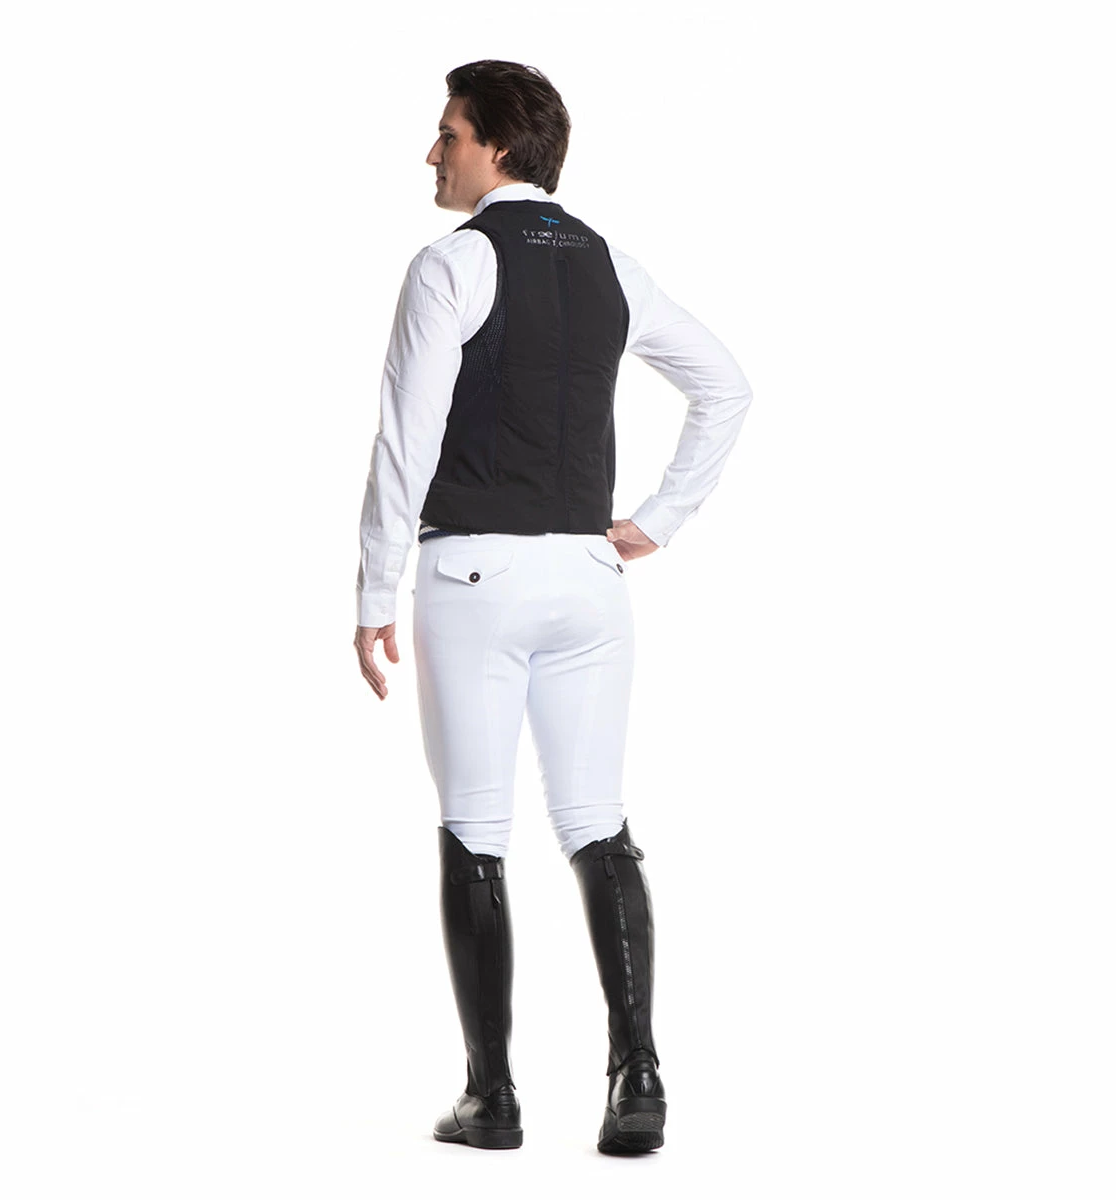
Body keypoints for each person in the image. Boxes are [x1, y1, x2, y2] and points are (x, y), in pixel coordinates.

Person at [354, 60, 753, 1154]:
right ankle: (639, 1076)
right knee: (598, 822)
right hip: (589, 581)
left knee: (475, 830)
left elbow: (405, 441)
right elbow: (725, 383)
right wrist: (658, 521)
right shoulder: (610, 262)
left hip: (472, 577)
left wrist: (373, 588)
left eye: (448, 134)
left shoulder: (452, 263)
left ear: (498, 147)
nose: (433, 154)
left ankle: (491, 1098)